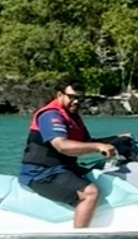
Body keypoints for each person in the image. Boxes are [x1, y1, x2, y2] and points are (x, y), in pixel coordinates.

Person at [18, 81, 127, 228]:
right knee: (90, 193)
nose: (76, 102)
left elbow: (87, 142)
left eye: (80, 98)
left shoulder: (73, 117)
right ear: (60, 95)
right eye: (72, 97)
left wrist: (117, 139)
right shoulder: (50, 115)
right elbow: (62, 146)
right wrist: (98, 146)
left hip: (64, 169)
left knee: (103, 173)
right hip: (41, 174)